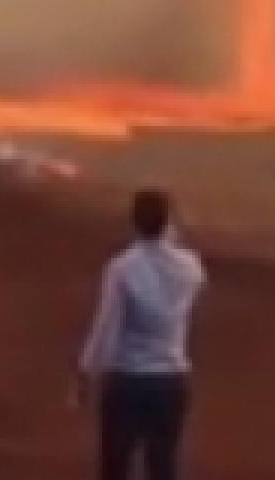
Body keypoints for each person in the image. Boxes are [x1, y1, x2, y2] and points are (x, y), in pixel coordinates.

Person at [76, 188, 207, 480]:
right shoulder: (191, 267)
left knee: (115, 467)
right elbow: (188, 271)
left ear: (134, 222)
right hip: (171, 380)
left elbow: (106, 327)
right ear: (169, 221)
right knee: (163, 466)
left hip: (128, 381)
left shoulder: (122, 267)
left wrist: (87, 372)